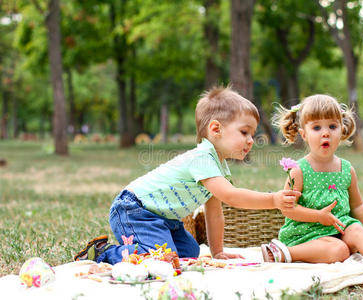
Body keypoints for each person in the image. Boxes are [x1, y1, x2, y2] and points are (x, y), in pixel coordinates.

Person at [74, 86, 300, 264]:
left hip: (164, 220)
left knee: (190, 253)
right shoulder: (202, 158)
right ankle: (103, 254)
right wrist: (272, 199)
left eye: (253, 134)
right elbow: (231, 196)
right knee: (163, 258)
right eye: (244, 132)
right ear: (215, 129)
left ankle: (144, 247)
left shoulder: (218, 167)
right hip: (134, 210)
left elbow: (215, 214)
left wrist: (218, 251)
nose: (251, 140)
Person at [261, 94, 363, 268]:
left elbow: (357, 206)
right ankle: (282, 253)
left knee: (357, 231)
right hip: (308, 234)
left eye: (332, 126)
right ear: (304, 134)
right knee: (339, 250)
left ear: (342, 130)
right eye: (317, 127)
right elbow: (288, 209)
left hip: (341, 229)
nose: (326, 133)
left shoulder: (347, 169)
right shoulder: (299, 170)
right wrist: (319, 217)